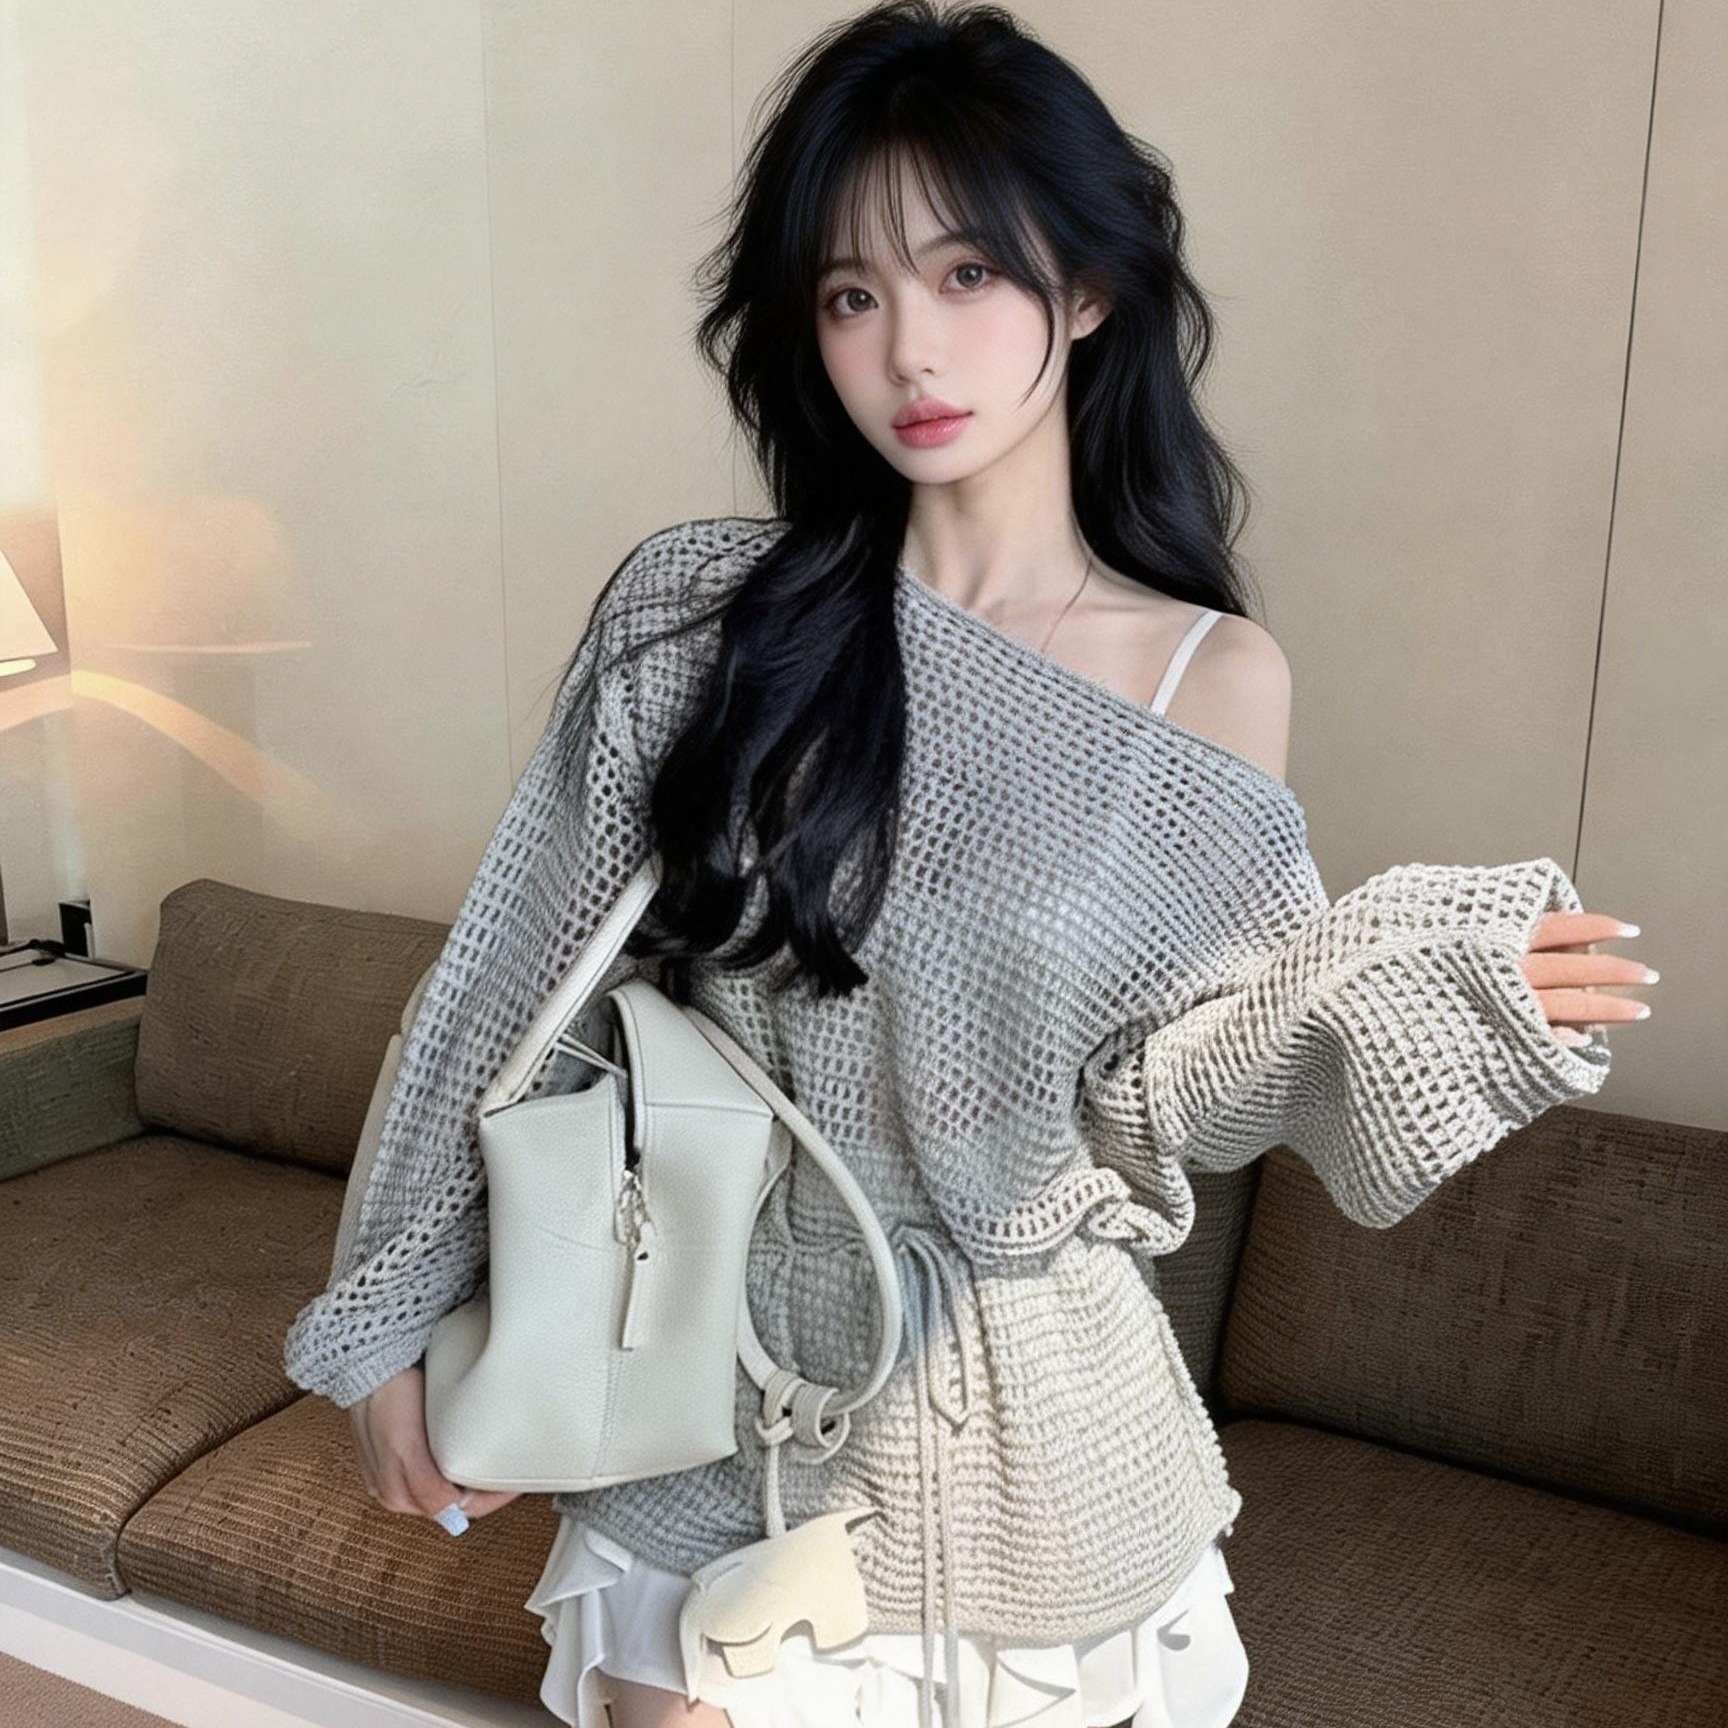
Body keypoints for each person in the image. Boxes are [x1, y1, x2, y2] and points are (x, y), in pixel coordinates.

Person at [284, 5, 1656, 1726]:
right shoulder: (705, 614)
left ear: (1085, 289)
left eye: (966, 274)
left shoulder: (1213, 681)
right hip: (712, 1401)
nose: (909, 351)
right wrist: (381, 1311)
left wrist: (1392, 999)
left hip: (1050, 1448)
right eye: (852, 295)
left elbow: (1164, 1096)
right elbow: (511, 986)